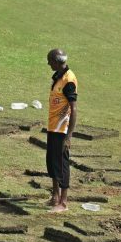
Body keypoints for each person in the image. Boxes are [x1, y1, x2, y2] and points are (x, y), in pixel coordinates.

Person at [45, 49, 78, 212]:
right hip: (53, 127)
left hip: (62, 129)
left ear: (56, 61)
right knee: (52, 162)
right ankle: (55, 196)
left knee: (62, 164)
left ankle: (63, 202)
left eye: (49, 61)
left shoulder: (68, 80)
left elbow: (74, 108)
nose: (48, 64)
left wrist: (69, 136)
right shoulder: (57, 76)